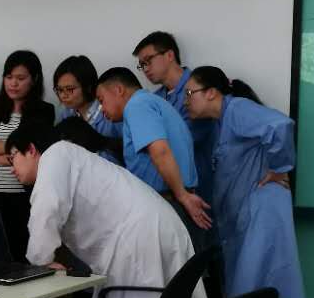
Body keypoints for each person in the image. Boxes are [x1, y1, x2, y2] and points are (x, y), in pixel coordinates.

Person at [6, 124, 208, 298]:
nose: (11, 168)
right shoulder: (71, 157)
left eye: (12, 157)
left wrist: (40, 261)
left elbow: (46, 209)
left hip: (138, 237)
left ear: (31, 149)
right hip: (152, 227)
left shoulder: (55, 155)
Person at [184, 66, 304, 298]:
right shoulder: (220, 124)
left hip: (259, 219)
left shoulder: (236, 109)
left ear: (212, 93)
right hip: (243, 223)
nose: (186, 100)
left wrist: (279, 168)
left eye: (190, 93)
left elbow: (280, 125)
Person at [95, 67, 209, 240]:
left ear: (118, 90)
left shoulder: (137, 106)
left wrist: (182, 196)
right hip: (177, 200)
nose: (102, 109)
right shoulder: (153, 102)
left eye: (101, 100)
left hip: (171, 203)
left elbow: (160, 151)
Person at [0, 50, 54, 259]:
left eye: (20, 78)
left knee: (21, 257)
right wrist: (13, 149)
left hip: (23, 198)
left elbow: (33, 150)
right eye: (9, 77)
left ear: (34, 79)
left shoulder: (44, 111)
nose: (13, 83)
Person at [134, 31, 213, 205]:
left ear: (170, 55)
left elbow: (186, 139)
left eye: (148, 60)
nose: (145, 69)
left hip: (203, 182)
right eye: (141, 65)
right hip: (171, 191)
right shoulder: (154, 100)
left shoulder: (199, 88)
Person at [51, 55, 121, 164]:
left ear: (88, 87)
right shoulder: (65, 114)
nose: (63, 95)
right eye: (59, 90)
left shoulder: (109, 112)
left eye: (70, 89)